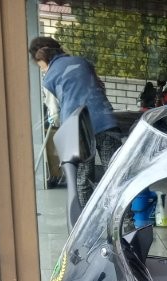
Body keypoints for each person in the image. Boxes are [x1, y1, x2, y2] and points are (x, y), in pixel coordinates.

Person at [28, 36, 122, 206]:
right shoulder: (82, 62)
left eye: (39, 65)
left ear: (41, 58)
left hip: (78, 129)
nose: (41, 69)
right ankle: (124, 217)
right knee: (115, 174)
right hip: (105, 120)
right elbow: (99, 87)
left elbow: (54, 113)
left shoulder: (49, 78)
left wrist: (57, 124)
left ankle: (86, 217)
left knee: (83, 178)